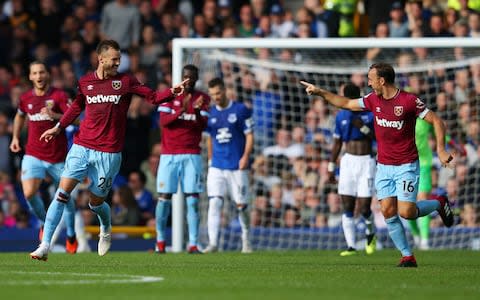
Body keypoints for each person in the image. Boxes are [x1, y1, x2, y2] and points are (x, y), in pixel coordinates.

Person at [29, 40, 188, 261]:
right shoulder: (85, 82)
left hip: (109, 153)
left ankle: (106, 226)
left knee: (96, 203)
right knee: (62, 192)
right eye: (114, 59)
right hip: (82, 146)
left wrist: (172, 92)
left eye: (119, 59)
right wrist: (58, 127)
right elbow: (76, 106)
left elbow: (152, 97)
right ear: (100, 59)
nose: (117, 63)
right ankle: (44, 245)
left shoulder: (125, 81)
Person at [301, 62, 455, 267]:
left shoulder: (409, 101)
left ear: (382, 80)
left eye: (371, 78)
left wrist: (441, 150)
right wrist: (320, 92)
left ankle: (439, 203)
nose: (368, 82)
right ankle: (407, 255)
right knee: (387, 210)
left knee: (406, 212)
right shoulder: (373, 100)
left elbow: (436, 121)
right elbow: (346, 103)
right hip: (383, 166)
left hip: (406, 165)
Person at [10, 61, 77, 254]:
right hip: (33, 154)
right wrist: (15, 137)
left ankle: (71, 234)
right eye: (35, 73)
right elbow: (20, 115)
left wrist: (55, 115)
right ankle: (43, 222)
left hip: (58, 158)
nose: (39, 76)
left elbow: (76, 118)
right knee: (29, 193)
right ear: (30, 77)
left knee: (66, 198)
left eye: (42, 72)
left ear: (48, 74)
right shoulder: (26, 98)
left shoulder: (60, 95)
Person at [155, 64, 210, 254]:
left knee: (193, 200)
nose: (189, 81)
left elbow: (202, 126)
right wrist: (181, 110)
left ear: (197, 78)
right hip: (169, 154)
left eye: (193, 78)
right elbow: (163, 123)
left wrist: (194, 110)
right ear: (181, 77)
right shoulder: (169, 95)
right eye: (186, 77)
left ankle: (193, 243)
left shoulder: (203, 98)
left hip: (191, 154)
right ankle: (160, 242)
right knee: (164, 198)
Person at [203, 77, 254, 254]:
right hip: (217, 165)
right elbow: (209, 138)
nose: (216, 97)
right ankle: (213, 243)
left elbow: (249, 135)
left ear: (225, 90)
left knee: (242, 205)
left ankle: (246, 237)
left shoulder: (240, 110)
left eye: (218, 93)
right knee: (215, 202)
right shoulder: (210, 113)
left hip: (237, 166)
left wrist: (245, 157)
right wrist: (210, 159)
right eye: (212, 95)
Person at [328, 83, 377, 257]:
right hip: (348, 162)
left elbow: (377, 138)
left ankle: (370, 234)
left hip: (366, 161)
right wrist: (331, 166)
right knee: (347, 205)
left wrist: (362, 128)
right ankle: (351, 246)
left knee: (364, 207)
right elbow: (337, 143)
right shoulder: (341, 115)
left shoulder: (369, 115)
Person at [407, 118, 434, 250]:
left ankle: (425, 240)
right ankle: (416, 235)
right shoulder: (401, 118)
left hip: (423, 164)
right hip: (406, 165)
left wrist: (449, 144)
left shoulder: (425, 119)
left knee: (423, 199)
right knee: (407, 203)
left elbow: (440, 131)